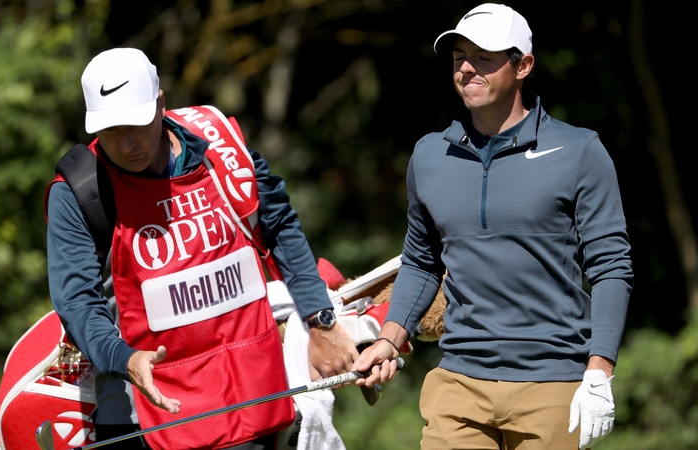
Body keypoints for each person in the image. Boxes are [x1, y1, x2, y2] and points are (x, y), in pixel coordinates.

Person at [45, 47, 358, 450]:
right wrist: (124, 359)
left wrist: (321, 320)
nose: (126, 145)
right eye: (110, 130)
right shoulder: (78, 191)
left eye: (136, 125)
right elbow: (76, 303)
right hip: (145, 410)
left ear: (161, 103)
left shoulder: (219, 144)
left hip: (252, 396)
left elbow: (277, 226)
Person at [353, 4, 633, 450]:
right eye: (458, 57)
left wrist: (599, 370)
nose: (466, 68)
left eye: (483, 57)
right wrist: (390, 338)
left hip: (553, 383)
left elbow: (611, 266)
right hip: (459, 382)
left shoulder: (580, 151)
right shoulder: (429, 156)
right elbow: (422, 263)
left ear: (523, 66)